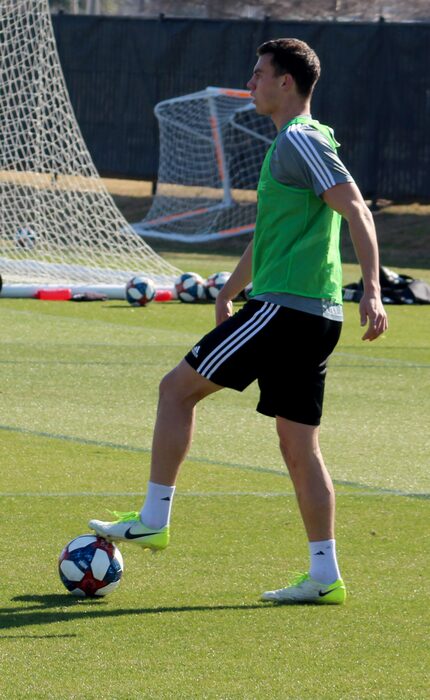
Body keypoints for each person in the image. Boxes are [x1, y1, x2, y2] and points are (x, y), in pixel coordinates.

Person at [89, 38, 388, 605]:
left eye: (258, 74)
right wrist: (230, 289)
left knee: (175, 390)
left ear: (285, 83)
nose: (249, 83)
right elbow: (271, 233)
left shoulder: (300, 137)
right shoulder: (295, 144)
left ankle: (154, 517)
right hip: (307, 312)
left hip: (286, 310)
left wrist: (372, 290)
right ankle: (324, 576)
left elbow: (357, 208)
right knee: (299, 447)